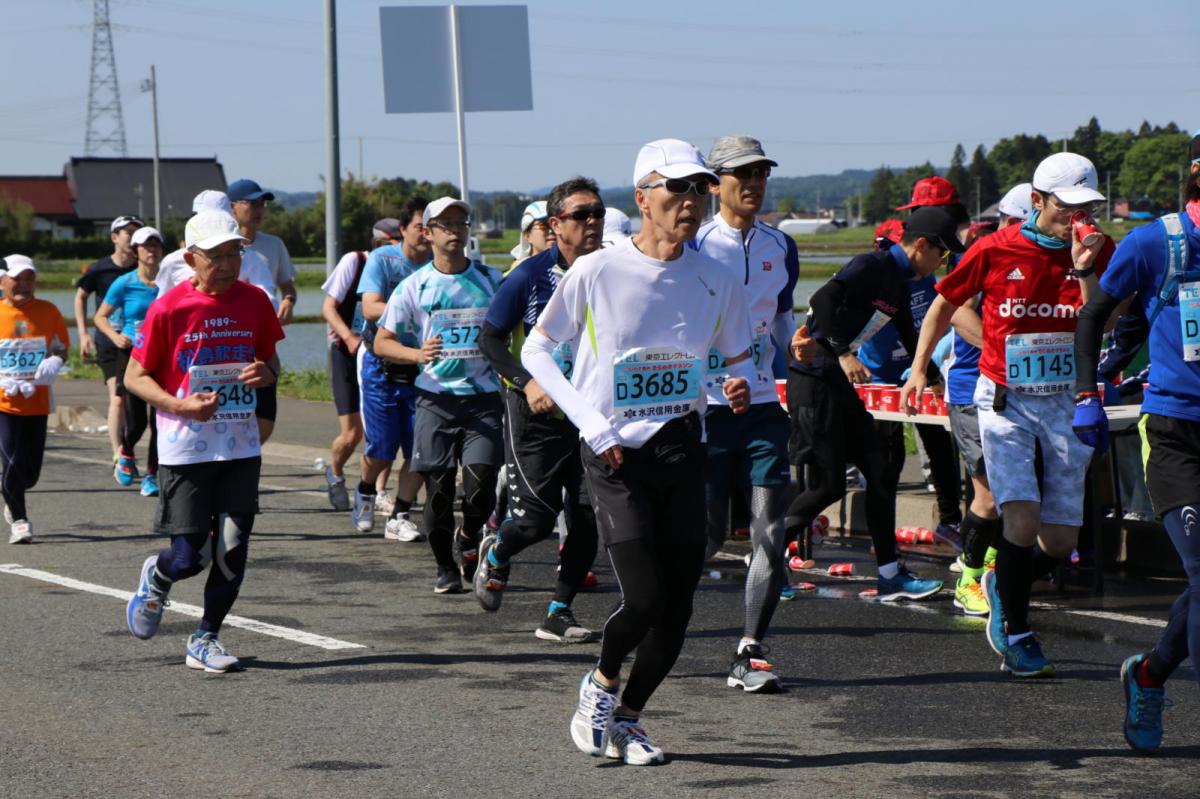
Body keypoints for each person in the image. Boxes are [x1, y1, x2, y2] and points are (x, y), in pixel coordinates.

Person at [522, 138, 754, 765]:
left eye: (699, 188)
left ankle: (628, 720)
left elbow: (736, 364)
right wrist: (591, 425)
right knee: (644, 598)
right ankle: (599, 685)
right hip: (614, 453)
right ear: (643, 198)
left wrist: (734, 386)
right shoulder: (598, 270)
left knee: (677, 612)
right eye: (676, 188)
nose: (691, 200)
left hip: (681, 448)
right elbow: (536, 351)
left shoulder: (717, 277)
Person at [902, 152, 1113, 678]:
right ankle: (1018, 634)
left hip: (1066, 399)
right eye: (1067, 207)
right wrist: (919, 367)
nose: (1079, 217)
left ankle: (1002, 582)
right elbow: (944, 305)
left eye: (1087, 207)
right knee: (1019, 518)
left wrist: (1085, 268)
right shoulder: (995, 248)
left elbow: (1106, 318)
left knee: (1060, 541)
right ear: (1037, 200)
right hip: (1005, 400)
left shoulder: (1098, 247)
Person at [1072, 132, 1200, 752]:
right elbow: (1094, 314)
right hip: (1175, 432)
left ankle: (1148, 674)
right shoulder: (1157, 243)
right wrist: (1086, 393)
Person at [123, 209, 284, 673]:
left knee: (232, 548)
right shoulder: (169, 307)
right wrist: (179, 405)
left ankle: (206, 637)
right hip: (186, 447)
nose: (228, 264)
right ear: (191, 259)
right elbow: (135, 377)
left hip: (240, 445)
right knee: (190, 556)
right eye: (216, 256)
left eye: (234, 253)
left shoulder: (255, 300)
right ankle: (159, 575)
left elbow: (272, 363)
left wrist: (266, 374)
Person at [786, 206, 960, 602]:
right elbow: (822, 299)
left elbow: (909, 336)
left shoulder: (901, 283)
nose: (942, 262)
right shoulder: (871, 264)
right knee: (827, 485)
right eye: (942, 253)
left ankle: (889, 574)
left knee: (881, 472)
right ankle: (766, 557)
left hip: (841, 385)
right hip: (815, 380)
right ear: (921, 245)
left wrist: (933, 377)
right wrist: (845, 353)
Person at [474, 176, 605, 641]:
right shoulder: (527, 276)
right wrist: (527, 382)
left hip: (591, 415)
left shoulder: (613, 269)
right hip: (536, 413)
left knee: (588, 516)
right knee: (535, 521)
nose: (593, 221)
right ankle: (497, 553)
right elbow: (490, 339)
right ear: (555, 225)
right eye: (581, 214)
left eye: (598, 213)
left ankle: (558, 611)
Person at [691, 135, 798, 692]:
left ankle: (751, 648)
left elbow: (780, 319)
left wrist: (796, 350)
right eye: (742, 174)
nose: (753, 182)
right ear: (715, 185)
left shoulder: (781, 245)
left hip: (760, 407)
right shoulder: (695, 244)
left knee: (769, 533)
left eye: (761, 173)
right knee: (707, 536)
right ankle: (653, 612)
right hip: (704, 410)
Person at [374, 197, 505, 593]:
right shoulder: (414, 286)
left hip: (483, 398)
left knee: (481, 486)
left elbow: (517, 330)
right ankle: (445, 567)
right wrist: (417, 354)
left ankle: (468, 538)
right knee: (439, 491)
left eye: (461, 223)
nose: (455, 230)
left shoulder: (491, 280)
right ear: (428, 233)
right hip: (435, 398)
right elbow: (382, 342)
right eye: (446, 224)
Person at [945, 182, 1031, 616]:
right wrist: (999, 353)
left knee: (1017, 493)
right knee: (990, 496)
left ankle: (992, 570)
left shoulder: (1039, 257)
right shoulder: (986, 254)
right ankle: (968, 579)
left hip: (1021, 392)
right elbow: (956, 311)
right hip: (971, 389)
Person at [350, 197, 430, 539]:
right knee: (382, 448)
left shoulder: (440, 264)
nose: (426, 234)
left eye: (432, 228)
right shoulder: (383, 259)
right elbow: (370, 308)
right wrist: (413, 308)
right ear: (403, 229)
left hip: (423, 367)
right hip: (381, 365)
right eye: (420, 227)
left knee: (420, 448)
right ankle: (366, 490)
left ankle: (400, 514)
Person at [319, 218, 407, 517]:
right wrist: (348, 337)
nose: (399, 248)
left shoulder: (405, 268)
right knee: (352, 433)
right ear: (379, 242)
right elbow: (328, 307)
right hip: (348, 350)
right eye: (393, 242)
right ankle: (335, 472)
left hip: (381, 352)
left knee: (386, 430)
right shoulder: (355, 261)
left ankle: (378, 491)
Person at [0, 256, 69, 544]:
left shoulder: (48, 311)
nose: (24, 285)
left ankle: (12, 494)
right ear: (2, 280)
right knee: (11, 462)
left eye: (30, 279)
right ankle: (20, 520)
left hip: (36, 399)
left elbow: (62, 348)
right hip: (4, 402)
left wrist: (56, 360)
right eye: (17, 279)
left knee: (29, 474)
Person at [95, 226, 164, 497]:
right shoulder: (125, 283)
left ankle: (152, 475)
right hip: (133, 354)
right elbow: (100, 316)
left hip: (162, 355)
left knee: (160, 421)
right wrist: (115, 336)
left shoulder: (171, 281)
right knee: (137, 422)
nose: (151, 250)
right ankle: (125, 451)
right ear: (136, 251)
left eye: (156, 245)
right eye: (146, 246)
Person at [228, 178, 296, 445]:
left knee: (265, 419)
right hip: (227, 342)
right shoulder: (221, 245)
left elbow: (287, 285)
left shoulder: (274, 244)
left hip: (262, 344)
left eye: (262, 204)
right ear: (232, 207)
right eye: (252, 203)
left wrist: (288, 301)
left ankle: (246, 456)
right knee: (230, 415)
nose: (259, 210)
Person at [75, 214, 141, 467]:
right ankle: (118, 454)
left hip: (137, 342)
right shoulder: (100, 269)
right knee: (118, 397)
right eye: (128, 233)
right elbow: (81, 296)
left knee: (137, 404)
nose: (133, 238)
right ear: (115, 237)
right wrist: (83, 334)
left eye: (137, 232)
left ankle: (131, 447)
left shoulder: (144, 267)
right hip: (109, 341)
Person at [156, 190, 275, 301]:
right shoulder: (172, 262)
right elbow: (162, 302)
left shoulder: (253, 259)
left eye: (222, 220)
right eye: (214, 255)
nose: (225, 266)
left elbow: (269, 300)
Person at [508, 200, 555, 269]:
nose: (551, 230)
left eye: (555, 224)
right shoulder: (520, 272)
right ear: (527, 235)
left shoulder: (569, 267)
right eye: (543, 225)